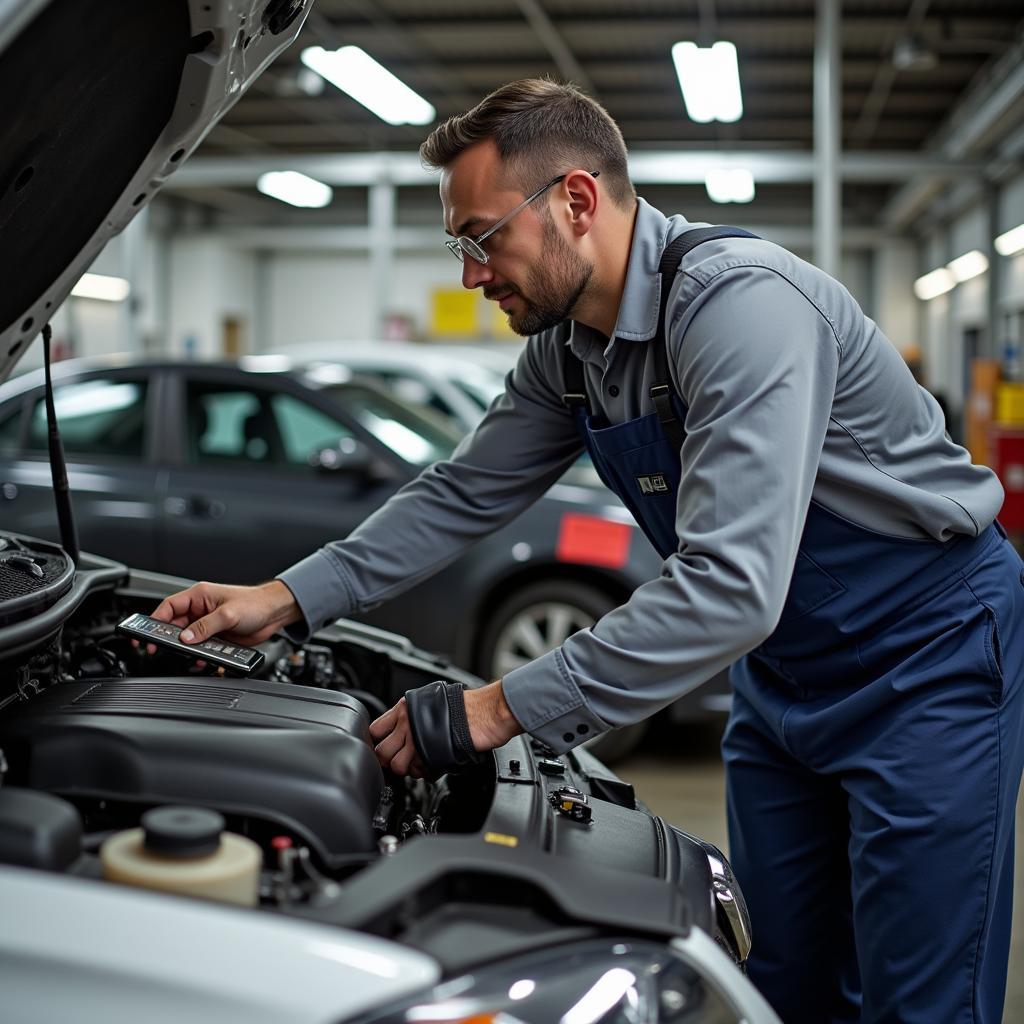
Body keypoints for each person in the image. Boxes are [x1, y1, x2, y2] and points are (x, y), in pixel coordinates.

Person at [152, 79, 1024, 1023]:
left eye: (482, 237)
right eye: (461, 245)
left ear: (574, 199)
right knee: (781, 981)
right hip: (785, 682)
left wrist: (498, 707)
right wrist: (283, 596)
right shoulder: (571, 350)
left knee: (919, 1001)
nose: (470, 275)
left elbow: (732, 588)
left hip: (926, 660)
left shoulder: (740, 309)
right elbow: (461, 492)